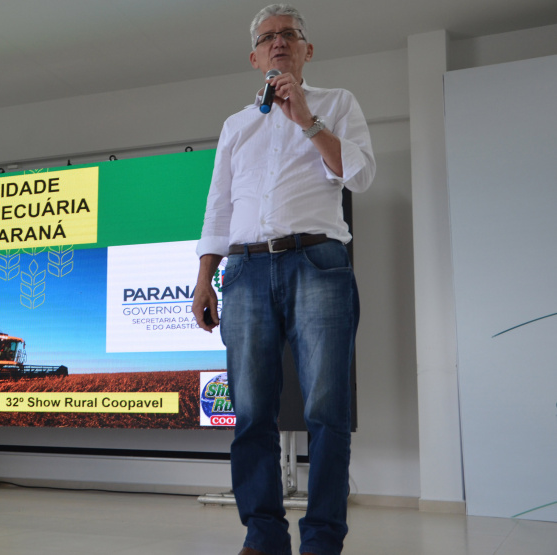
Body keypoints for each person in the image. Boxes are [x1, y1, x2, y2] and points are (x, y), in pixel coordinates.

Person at [191, 4, 375, 555]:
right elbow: (218, 207)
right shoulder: (236, 126)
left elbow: (359, 174)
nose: (278, 43)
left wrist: (307, 121)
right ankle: (263, 535)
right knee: (250, 411)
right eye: (267, 37)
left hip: (317, 263)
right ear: (254, 57)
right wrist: (205, 276)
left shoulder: (337, 104)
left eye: (289, 35)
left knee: (325, 410)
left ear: (306, 50)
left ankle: (321, 540)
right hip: (244, 271)